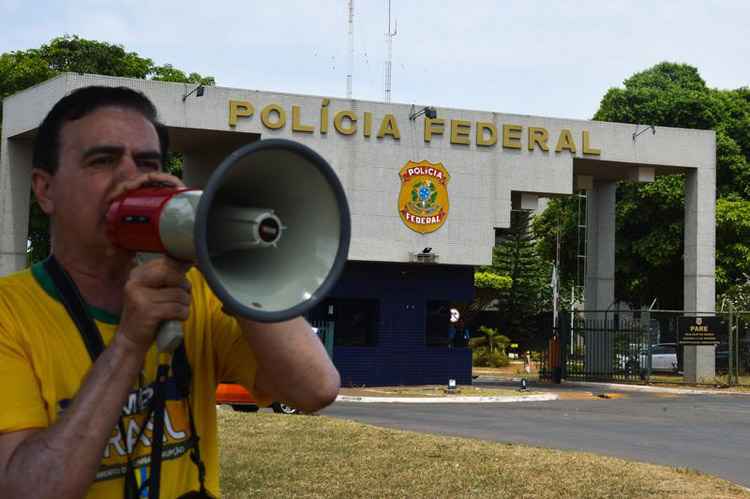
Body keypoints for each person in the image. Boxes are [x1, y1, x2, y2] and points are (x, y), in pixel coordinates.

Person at [0, 86, 340, 498]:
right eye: (103, 160)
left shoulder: (197, 288)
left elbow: (315, 388)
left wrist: (220, 258)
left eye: (147, 162)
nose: (131, 176)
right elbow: (27, 488)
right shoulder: (10, 313)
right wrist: (128, 343)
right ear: (45, 190)